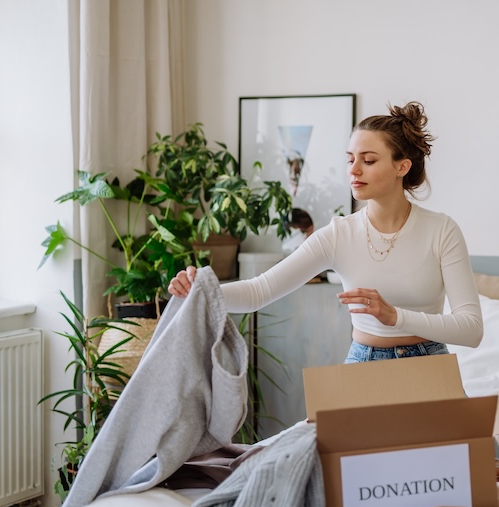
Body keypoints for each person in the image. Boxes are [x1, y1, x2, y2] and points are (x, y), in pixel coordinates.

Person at [168, 101, 483, 363]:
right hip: (364, 364)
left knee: (470, 441)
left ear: (402, 167)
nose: (354, 170)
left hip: (429, 364)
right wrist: (202, 289)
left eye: (369, 160)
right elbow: (258, 292)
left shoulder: (442, 231)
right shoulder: (338, 235)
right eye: (350, 160)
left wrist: (395, 316)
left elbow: (471, 330)